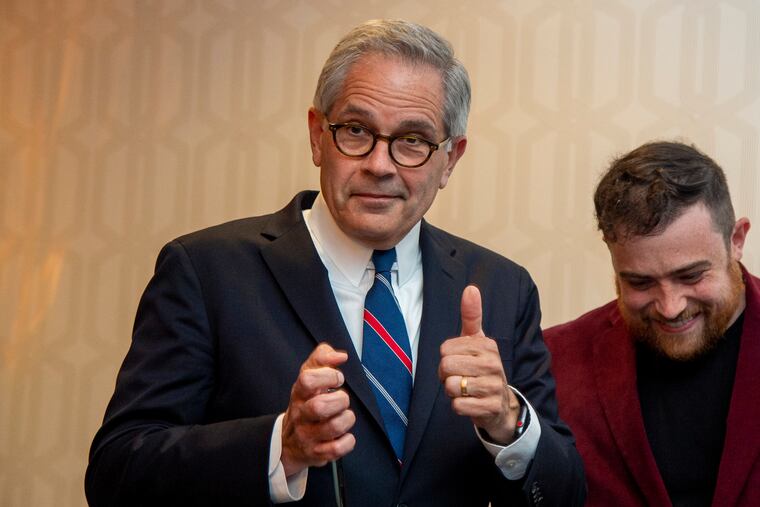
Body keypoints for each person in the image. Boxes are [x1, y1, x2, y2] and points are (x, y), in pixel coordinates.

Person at [85, 19, 584, 507]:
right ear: (317, 136)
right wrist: (281, 448)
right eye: (356, 130)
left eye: (413, 140)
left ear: (450, 159)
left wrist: (509, 423)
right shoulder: (206, 271)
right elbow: (117, 472)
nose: (380, 164)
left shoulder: (502, 288)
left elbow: (565, 494)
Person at [544, 140, 760, 506]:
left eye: (691, 276)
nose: (670, 308)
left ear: (736, 240)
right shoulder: (555, 360)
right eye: (640, 283)